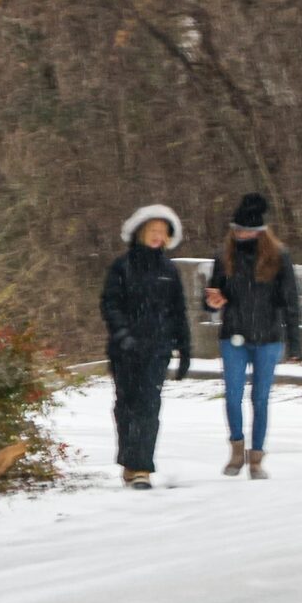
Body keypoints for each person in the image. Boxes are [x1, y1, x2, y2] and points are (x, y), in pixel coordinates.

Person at [202, 193, 302, 478]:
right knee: (232, 396)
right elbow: (211, 293)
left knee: (260, 398)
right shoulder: (223, 257)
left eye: (246, 231)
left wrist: (295, 343)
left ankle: (256, 457)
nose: (241, 235)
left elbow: (291, 302)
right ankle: (236, 451)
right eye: (237, 230)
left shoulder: (279, 257)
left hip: (268, 337)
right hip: (233, 335)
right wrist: (212, 301)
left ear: (260, 232)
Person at [101, 204, 192, 489]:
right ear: (140, 232)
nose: (157, 236)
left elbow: (179, 310)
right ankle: (130, 460)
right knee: (126, 406)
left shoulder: (169, 270)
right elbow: (110, 303)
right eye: (153, 231)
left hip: (157, 348)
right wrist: (123, 334)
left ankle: (142, 468)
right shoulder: (122, 266)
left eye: (163, 233)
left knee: (149, 406)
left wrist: (185, 348)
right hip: (125, 349)